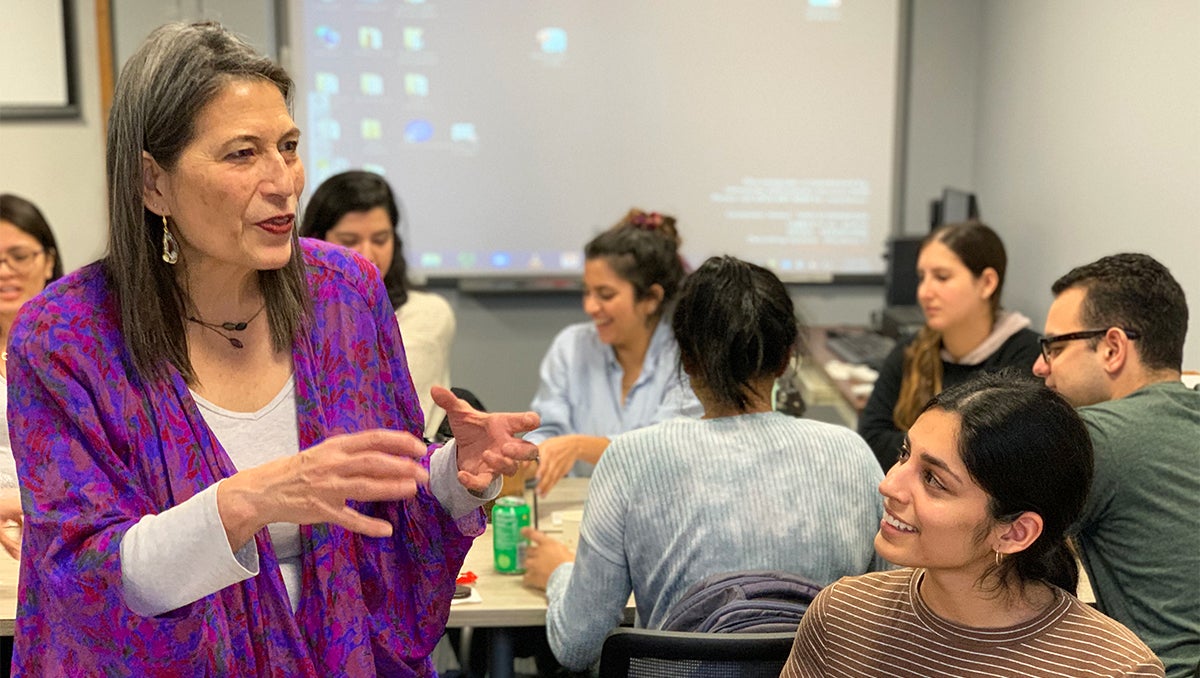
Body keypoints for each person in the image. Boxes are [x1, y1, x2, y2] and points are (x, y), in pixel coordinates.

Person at [7, 22, 539, 676]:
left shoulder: (344, 294)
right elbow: (83, 579)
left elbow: (379, 507)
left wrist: (455, 475)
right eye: (242, 154)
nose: (283, 180)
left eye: (288, 146)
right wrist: (250, 501)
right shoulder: (64, 337)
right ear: (153, 184)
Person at [521, 256, 887, 672]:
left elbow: (578, 645)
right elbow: (895, 616)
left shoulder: (630, 460)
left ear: (687, 360)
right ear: (787, 359)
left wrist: (558, 573)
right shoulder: (853, 456)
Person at [781, 371, 1165, 677]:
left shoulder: (1114, 668)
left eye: (933, 479)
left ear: (1015, 532)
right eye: (904, 454)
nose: (888, 484)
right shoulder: (842, 616)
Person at [1032, 253, 1198, 678]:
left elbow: (982, 541)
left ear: (1112, 347)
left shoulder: (1093, 435)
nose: (1040, 366)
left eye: (1054, 347)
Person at [527, 208, 702, 495]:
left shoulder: (687, 360)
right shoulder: (570, 347)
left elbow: (668, 452)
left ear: (651, 299)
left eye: (605, 295)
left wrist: (580, 447)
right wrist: (523, 460)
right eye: (587, 292)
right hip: (576, 514)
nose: (590, 307)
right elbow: (547, 433)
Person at [858, 221, 1040, 468]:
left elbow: (991, 457)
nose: (924, 292)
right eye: (922, 278)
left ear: (987, 283)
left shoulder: (1027, 357)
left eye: (942, 277)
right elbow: (872, 439)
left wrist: (912, 449)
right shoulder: (911, 350)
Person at [300, 170, 456, 438]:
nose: (368, 255)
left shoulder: (426, 315)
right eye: (349, 241)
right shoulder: (293, 318)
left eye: (380, 239)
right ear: (316, 242)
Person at [0, 193, 63, 560]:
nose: (5, 270)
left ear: (49, 260)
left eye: (19, 256)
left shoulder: (89, 349)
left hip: (65, 537)